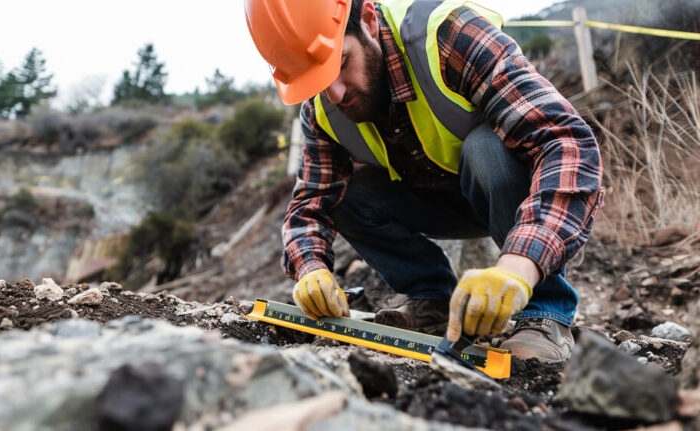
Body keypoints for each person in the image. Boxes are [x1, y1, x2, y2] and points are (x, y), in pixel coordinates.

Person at [244, 0, 604, 361]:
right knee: (348, 197)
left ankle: (545, 313)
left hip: (505, 192)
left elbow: (565, 143)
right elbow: (309, 205)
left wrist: (519, 267)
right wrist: (310, 269)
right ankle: (430, 298)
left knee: (485, 149)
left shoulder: (449, 35)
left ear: (369, 20)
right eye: (319, 83)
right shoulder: (321, 109)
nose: (335, 95)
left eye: (340, 64)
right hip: (435, 203)